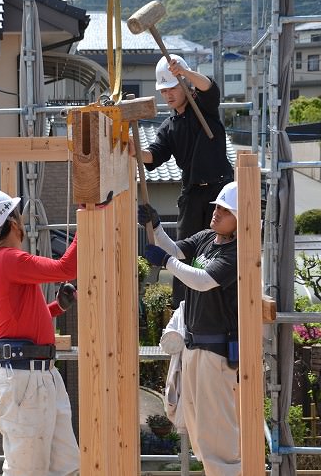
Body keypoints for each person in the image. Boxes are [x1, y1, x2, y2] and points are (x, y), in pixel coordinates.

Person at [0, 187, 80, 476]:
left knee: (65, 466)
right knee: (25, 472)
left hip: (38, 375)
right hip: (25, 379)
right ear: (14, 224)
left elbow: (22, 319)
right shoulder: (8, 259)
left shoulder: (5, 263)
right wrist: (88, 215)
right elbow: (67, 267)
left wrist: (56, 307)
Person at [138, 181, 241, 476]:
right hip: (194, 348)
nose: (217, 213)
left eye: (226, 210)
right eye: (218, 207)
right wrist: (156, 227)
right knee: (198, 429)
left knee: (217, 434)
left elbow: (203, 280)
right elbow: (174, 249)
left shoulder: (237, 252)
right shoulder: (208, 238)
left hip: (216, 351)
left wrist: (167, 262)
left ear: (240, 219)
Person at [133, 54, 234, 307]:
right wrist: (132, 149)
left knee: (222, 249)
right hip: (190, 195)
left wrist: (185, 73)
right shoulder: (168, 126)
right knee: (184, 253)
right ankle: (183, 310)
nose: (168, 94)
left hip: (220, 193)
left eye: (172, 87)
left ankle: (225, 306)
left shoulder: (204, 107)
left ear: (185, 84)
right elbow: (153, 156)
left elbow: (209, 87)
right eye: (163, 90)